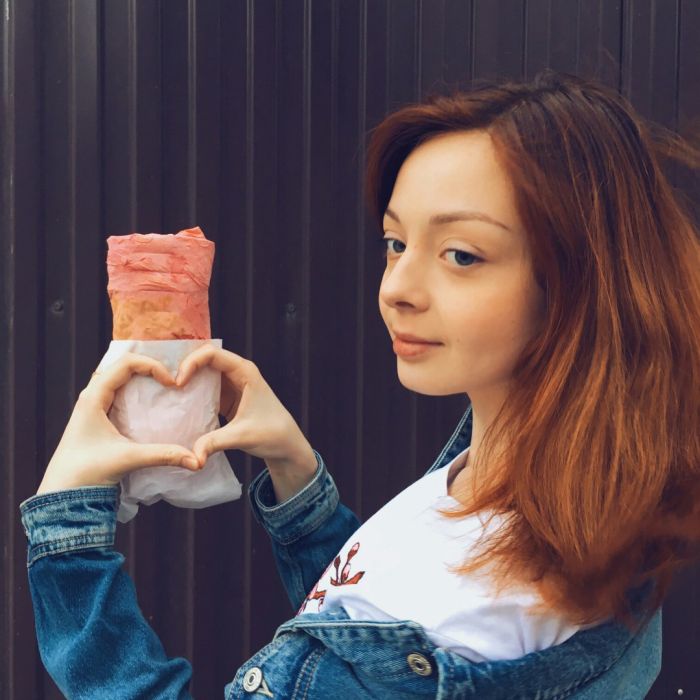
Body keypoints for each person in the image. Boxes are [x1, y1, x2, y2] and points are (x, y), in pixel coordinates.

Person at [20, 69, 700, 699]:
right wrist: (296, 475)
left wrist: (67, 533)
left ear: (584, 284)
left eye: (461, 254)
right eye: (396, 243)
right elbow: (372, 626)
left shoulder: (486, 612)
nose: (397, 288)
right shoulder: (563, 482)